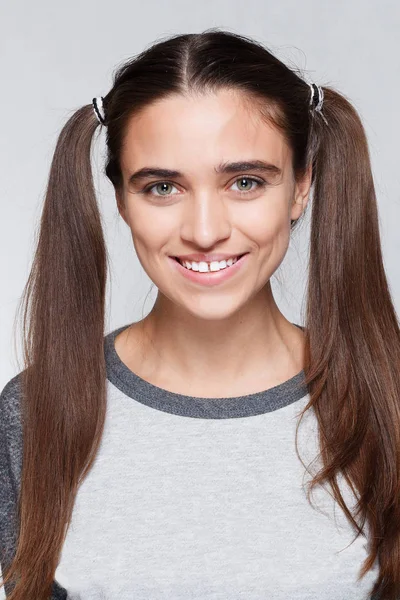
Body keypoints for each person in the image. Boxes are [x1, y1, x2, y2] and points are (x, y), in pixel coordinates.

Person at [0, 28, 399, 600]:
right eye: (163, 187)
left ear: (301, 185)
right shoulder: (36, 414)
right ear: (121, 200)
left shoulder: (389, 397)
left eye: (245, 182)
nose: (205, 232)